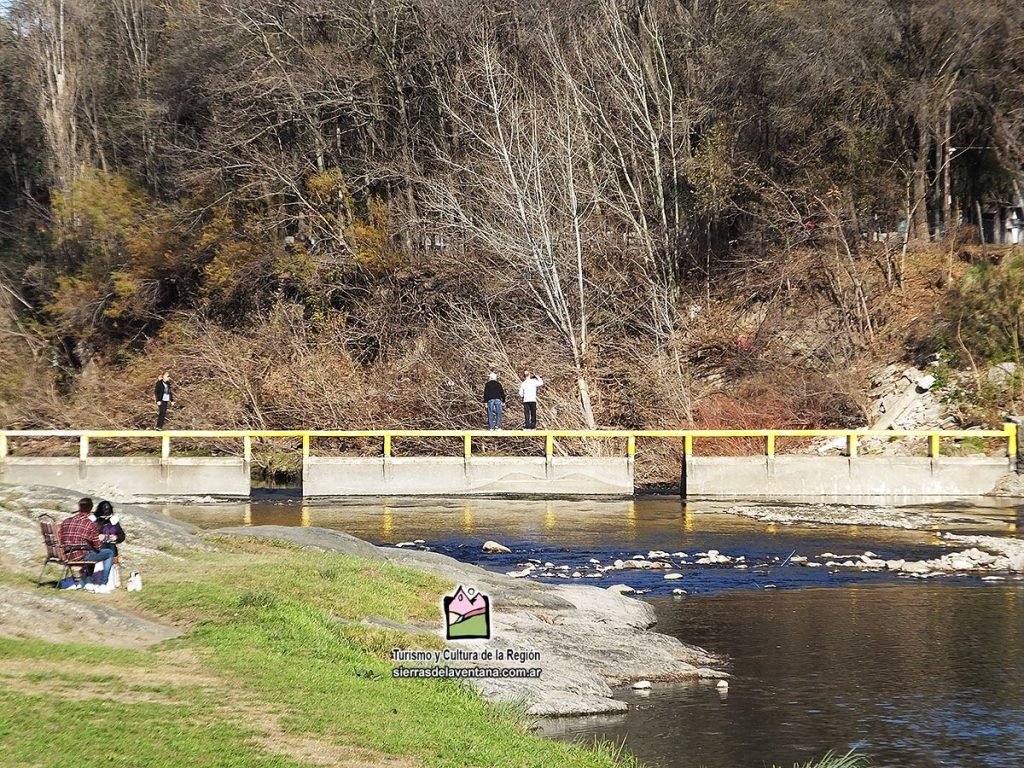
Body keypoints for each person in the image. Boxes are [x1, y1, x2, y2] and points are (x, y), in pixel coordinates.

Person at [58, 497, 116, 593]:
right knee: (109, 553)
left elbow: (61, 539)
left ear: (79, 507)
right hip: (80, 556)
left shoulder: (66, 521)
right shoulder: (90, 524)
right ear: (91, 509)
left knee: (90, 552)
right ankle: (103, 584)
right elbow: (97, 547)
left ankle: (88, 580)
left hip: (65, 554)